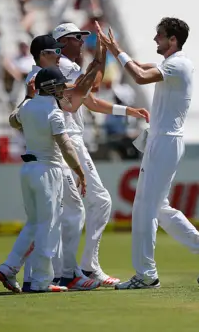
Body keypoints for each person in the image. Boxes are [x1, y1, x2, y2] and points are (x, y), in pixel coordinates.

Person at [96, 18, 199, 290]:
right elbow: (142, 67)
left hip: (165, 141)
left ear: (173, 40)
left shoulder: (177, 64)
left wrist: (116, 50)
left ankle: (146, 275)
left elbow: (140, 76)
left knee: (144, 208)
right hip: (163, 141)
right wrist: (115, 48)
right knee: (159, 208)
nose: (155, 39)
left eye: (160, 35)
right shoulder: (173, 63)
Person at [51, 22, 150, 287]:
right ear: (61, 43)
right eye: (76, 38)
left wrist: (127, 111)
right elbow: (90, 90)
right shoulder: (63, 67)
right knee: (91, 204)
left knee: (76, 207)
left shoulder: (66, 68)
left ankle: (70, 269)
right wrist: (101, 54)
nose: (81, 42)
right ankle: (77, 270)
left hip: (69, 139)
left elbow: (90, 99)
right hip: (67, 139)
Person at [7, 34, 103, 292]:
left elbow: (13, 120)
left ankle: (20, 272)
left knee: (39, 223)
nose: (59, 55)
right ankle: (60, 275)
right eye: (54, 51)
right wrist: (94, 67)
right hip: (50, 164)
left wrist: (27, 104)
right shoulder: (45, 90)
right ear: (41, 55)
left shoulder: (34, 94)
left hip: (32, 165)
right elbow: (76, 97)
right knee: (55, 222)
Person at [0, 63, 86, 294]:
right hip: (48, 171)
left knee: (34, 224)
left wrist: (27, 96)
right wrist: (80, 172)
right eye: (60, 87)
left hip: (28, 171)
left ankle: (8, 268)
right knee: (49, 226)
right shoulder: (54, 112)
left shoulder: (27, 107)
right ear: (51, 87)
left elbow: (13, 121)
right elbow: (65, 146)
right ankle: (41, 282)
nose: (63, 91)